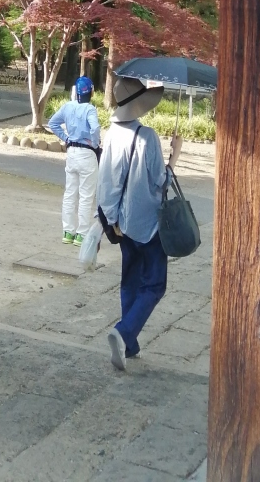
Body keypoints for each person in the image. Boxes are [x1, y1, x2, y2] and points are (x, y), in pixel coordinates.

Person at [96, 71, 182, 370]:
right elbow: (161, 181)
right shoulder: (147, 137)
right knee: (155, 284)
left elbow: (106, 182)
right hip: (148, 225)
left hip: (122, 223)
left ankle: (129, 345)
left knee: (130, 280)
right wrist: (174, 156)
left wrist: (111, 220)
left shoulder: (111, 134)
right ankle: (123, 333)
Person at [47, 76, 101, 246]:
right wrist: (95, 142)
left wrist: (66, 138)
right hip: (87, 153)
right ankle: (81, 234)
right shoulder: (90, 109)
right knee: (86, 196)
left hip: (72, 153)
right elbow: (95, 127)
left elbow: (52, 123)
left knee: (70, 193)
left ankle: (67, 232)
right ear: (91, 92)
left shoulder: (68, 107)